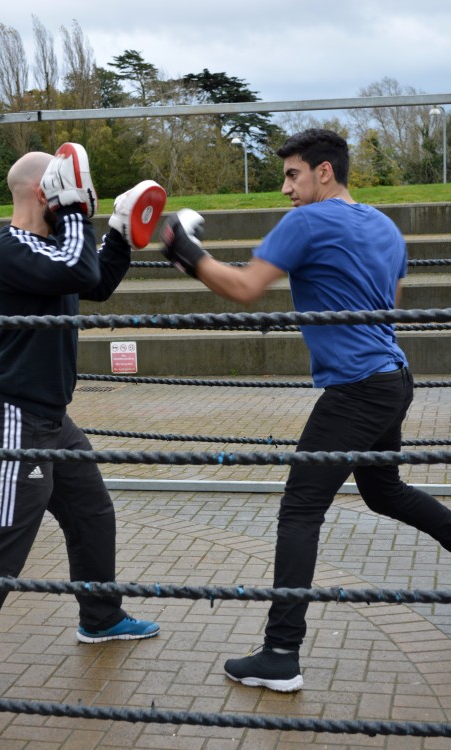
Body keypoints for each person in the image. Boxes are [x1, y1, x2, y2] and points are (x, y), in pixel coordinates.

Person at [161, 128, 451, 693]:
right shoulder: (385, 227)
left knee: (299, 509)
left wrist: (184, 249)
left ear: (324, 171)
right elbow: (386, 308)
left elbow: (245, 288)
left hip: (358, 390)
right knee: (383, 491)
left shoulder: (307, 223)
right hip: (393, 377)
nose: (286, 188)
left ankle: (281, 653)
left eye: (293, 174)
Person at [0, 143, 167, 712]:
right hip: (16, 417)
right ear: (44, 193)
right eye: (67, 189)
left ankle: (101, 616)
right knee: (1, 543)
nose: (78, 200)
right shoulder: (10, 249)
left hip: (53, 419)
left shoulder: (54, 248)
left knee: (92, 512)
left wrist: (117, 231)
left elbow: (92, 279)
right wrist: (77, 216)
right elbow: (75, 264)